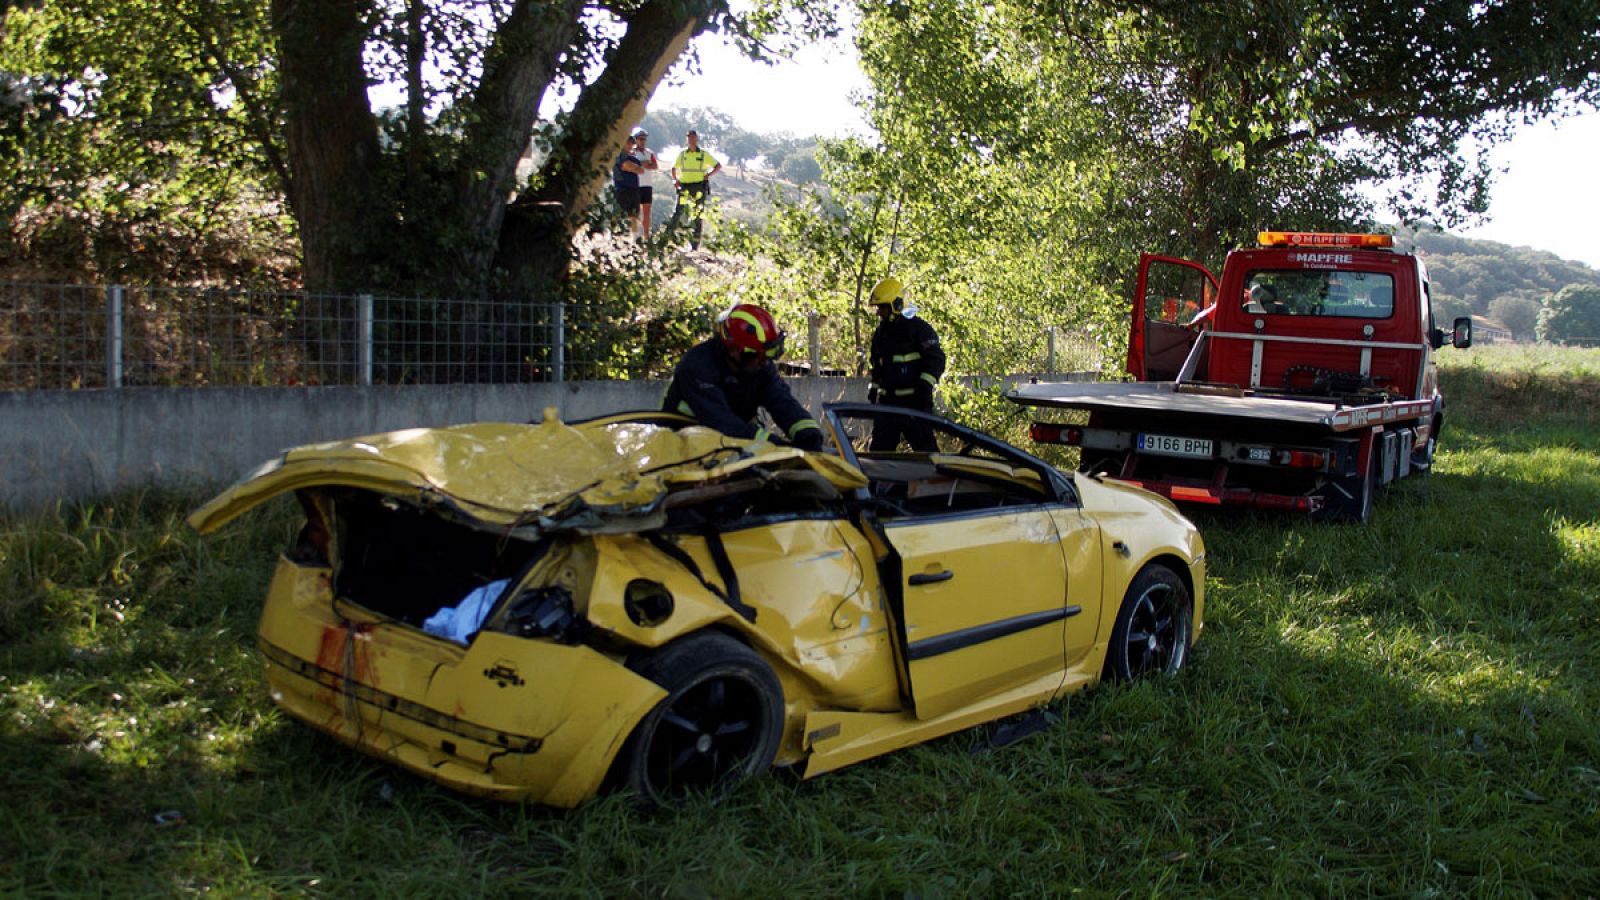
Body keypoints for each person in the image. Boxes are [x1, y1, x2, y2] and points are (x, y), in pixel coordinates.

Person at [662, 303, 826, 450]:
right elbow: (720, 422)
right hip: (682, 446)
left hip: (730, 445)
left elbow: (783, 402)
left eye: (767, 355)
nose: (763, 363)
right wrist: (774, 444)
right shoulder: (698, 365)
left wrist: (808, 433)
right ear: (734, 351)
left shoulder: (759, 367)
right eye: (757, 356)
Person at [866, 277, 945, 453]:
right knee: (879, 456)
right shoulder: (880, 334)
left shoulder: (919, 330)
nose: (879, 313)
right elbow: (877, 366)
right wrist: (874, 390)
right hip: (888, 405)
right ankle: (880, 482)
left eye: (882, 307)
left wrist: (925, 386)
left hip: (915, 404)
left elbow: (936, 359)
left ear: (896, 304)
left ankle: (936, 481)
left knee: (927, 456)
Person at [666, 129, 722, 250]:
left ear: (697, 139)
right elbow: (674, 168)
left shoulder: (703, 154)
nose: (691, 140)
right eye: (689, 137)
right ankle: (667, 238)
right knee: (678, 212)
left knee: (698, 215)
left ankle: (695, 245)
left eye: (693, 137)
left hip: (699, 187)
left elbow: (718, 166)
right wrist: (675, 180)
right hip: (684, 186)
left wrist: (709, 175)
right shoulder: (682, 154)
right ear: (687, 139)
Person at [630, 126, 659, 238]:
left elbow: (655, 165)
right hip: (635, 185)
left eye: (644, 139)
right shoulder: (631, 153)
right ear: (635, 139)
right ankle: (634, 236)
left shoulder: (649, 153)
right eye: (640, 139)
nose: (642, 141)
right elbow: (631, 165)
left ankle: (646, 236)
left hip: (647, 185)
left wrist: (647, 164)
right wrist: (643, 164)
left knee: (646, 212)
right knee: (634, 212)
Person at [612, 136, 644, 236]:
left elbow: (641, 170)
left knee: (634, 216)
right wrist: (634, 167)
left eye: (631, 143)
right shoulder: (618, 155)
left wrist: (633, 167)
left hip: (633, 190)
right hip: (621, 190)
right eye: (628, 143)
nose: (630, 145)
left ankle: (633, 239)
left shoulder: (633, 157)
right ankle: (614, 236)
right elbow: (625, 165)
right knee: (618, 215)